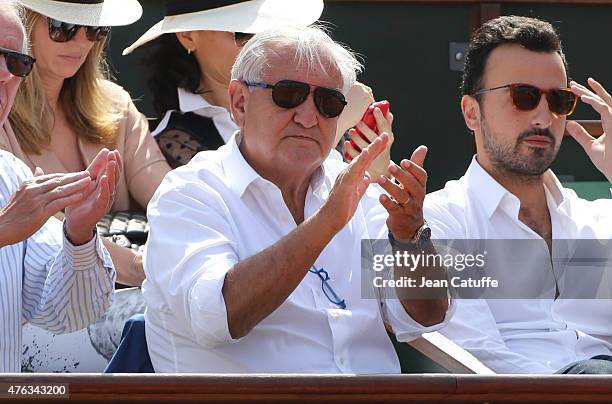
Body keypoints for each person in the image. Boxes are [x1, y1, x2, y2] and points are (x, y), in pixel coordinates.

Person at [142, 25, 453, 373]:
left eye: (328, 102)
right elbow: (217, 316)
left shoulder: (355, 187)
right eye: (288, 95)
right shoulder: (190, 193)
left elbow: (427, 315)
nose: (308, 118)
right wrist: (325, 223)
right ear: (240, 102)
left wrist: (409, 237)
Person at [422, 15, 612, 374]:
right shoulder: (437, 221)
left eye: (559, 100)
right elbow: (472, 351)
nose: (543, 116)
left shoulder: (599, 218)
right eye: (523, 96)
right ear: (471, 112)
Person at [0, 0, 172, 286]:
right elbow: (38, 232)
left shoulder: (116, 105)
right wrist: (141, 268)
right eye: (62, 27)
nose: (82, 40)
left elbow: (168, 196)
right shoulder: (1, 118)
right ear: (24, 26)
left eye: (95, 28)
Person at [123, 0, 386, 176]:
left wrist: (376, 172)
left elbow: (380, 250)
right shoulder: (166, 142)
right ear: (188, 35)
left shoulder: (314, 102)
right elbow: (263, 221)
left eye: (269, 31)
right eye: (241, 33)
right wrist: (328, 129)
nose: (260, 46)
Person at [0, 0, 118, 372]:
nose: (6, 76)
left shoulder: (10, 175)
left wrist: (79, 235)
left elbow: (68, 315)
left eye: (16, 63)